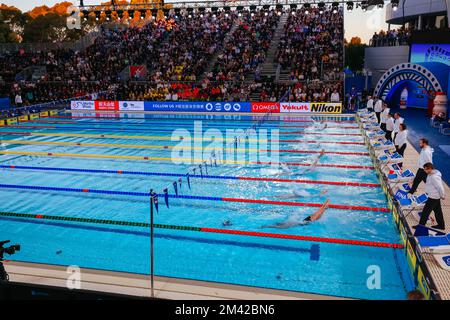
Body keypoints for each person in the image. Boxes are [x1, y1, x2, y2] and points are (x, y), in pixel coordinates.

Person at [413, 163, 445, 230]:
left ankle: (421, 226)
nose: (424, 171)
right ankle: (441, 225)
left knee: (425, 212)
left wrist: (442, 195)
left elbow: (440, 187)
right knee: (438, 211)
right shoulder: (432, 173)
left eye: (425, 169)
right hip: (434, 196)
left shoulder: (434, 177)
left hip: (433, 197)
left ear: (430, 168)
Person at [261, 199, 330, 229]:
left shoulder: (284, 226)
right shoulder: (286, 224)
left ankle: (324, 207)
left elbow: (275, 226)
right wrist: (267, 226)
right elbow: (276, 225)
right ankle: (323, 207)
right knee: (315, 216)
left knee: (315, 216)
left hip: (302, 223)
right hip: (301, 222)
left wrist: (266, 226)